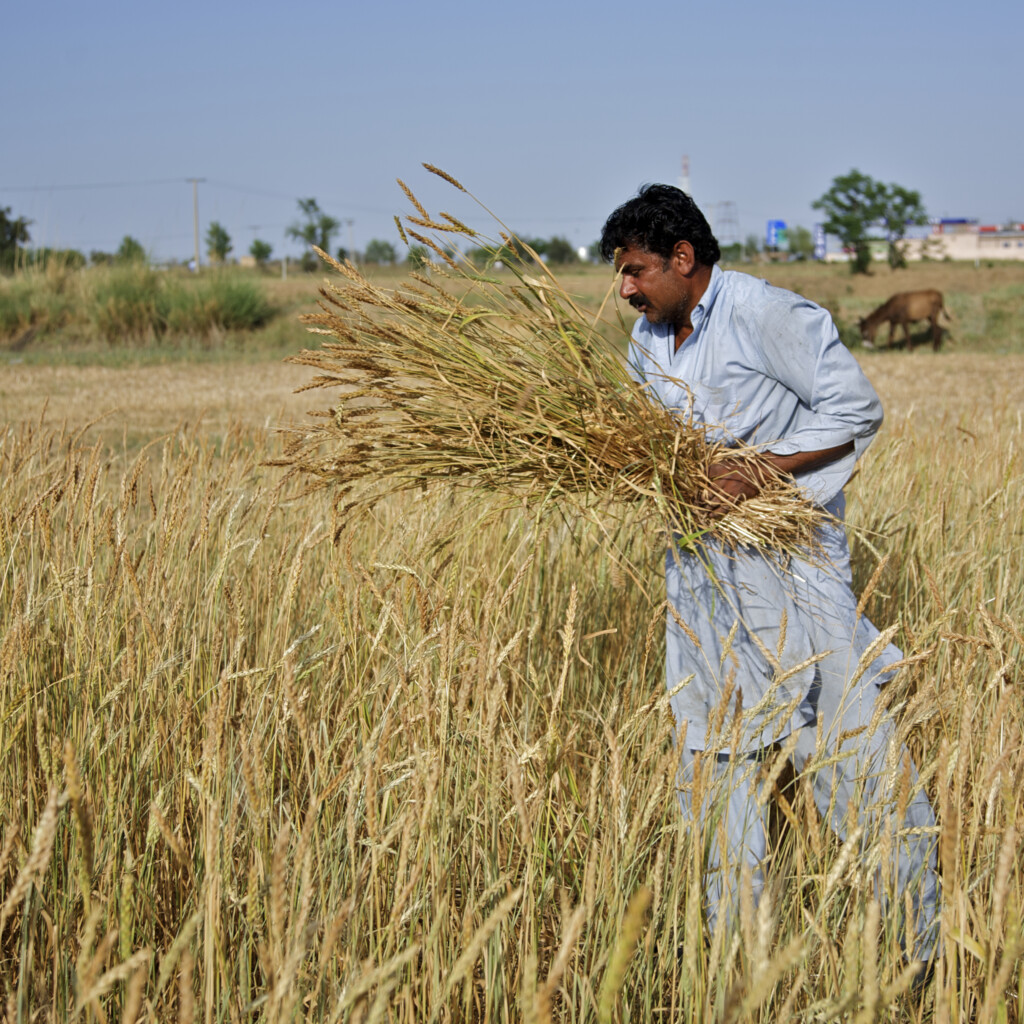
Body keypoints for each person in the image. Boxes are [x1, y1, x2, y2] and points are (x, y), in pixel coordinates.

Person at [599, 184, 939, 966]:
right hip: (700, 587)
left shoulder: (766, 315)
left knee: (857, 771)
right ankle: (735, 971)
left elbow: (855, 407)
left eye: (636, 270)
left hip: (794, 580)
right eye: (622, 272)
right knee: (717, 784)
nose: (625, 289)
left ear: (684, 260)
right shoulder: (648, 342)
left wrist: (761, 471)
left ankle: (920, 967)